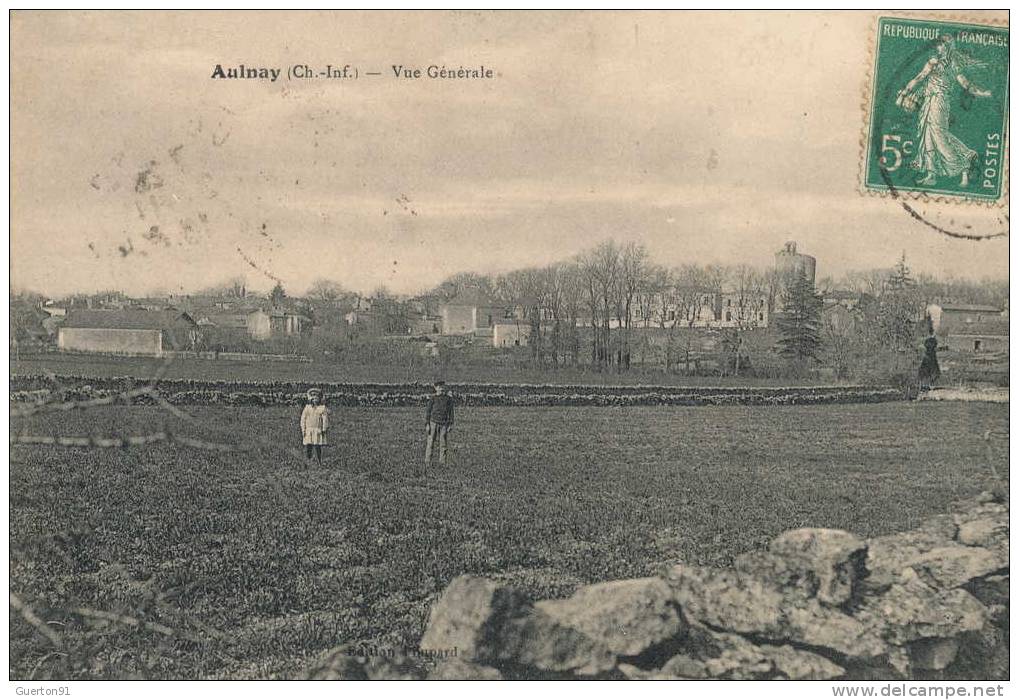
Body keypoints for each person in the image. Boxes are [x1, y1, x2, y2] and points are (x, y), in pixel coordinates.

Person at [896, 35, 992, 188]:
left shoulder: (954, 65)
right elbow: (919, 78)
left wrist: (982, 93)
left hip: (940, 103)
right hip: (928, 102)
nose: (938, 48)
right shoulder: (933, 62)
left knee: (939, 137)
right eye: (938, 45)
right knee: (928, 135)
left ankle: (964, 166)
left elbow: (966, 84)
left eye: (941, 45)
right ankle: (931, 174)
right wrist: (905, 92)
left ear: (948, 47)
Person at [424, 380, 454, 466]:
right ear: (435, 388)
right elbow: (428, 411)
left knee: (443, 444)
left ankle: (442, 463)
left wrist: (450, 424)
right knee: (430, 442)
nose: (441, 388)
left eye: (442, 387)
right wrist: (427, 424)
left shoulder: (448, 399)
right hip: (433, 422)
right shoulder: (433, 398)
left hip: (444, 424)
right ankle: (427, 462)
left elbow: (451, 412)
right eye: (439, 387)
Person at [300, 388, 330, 465]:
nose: (315, 400)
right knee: (308, 446)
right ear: (311, 399)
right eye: (313, 399)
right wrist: (303, 429)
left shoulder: (322, 408)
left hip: (318, 430)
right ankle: (308, 460)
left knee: (317, 446)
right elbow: (303, 419)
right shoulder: (307, 408)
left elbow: (325, 419)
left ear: (319, 399)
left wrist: (324, 429)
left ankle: (319, 460)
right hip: (309, 430)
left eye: (316, 398)